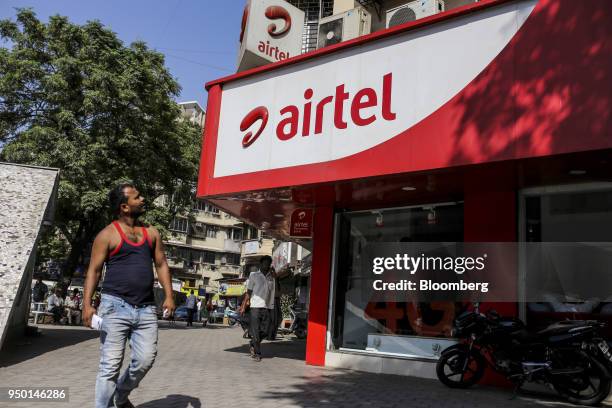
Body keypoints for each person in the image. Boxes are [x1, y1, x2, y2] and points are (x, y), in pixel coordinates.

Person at [82, 182, 176, 408]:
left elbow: (161, 264)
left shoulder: (151, 232)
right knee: (110, 367)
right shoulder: (107, 235)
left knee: (145, 360)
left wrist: (169, 295)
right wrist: (87, 305)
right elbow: (93, 271)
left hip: (145, 309)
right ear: (124, 207)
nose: (142, 199)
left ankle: (120, 396)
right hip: (114, 307)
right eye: (137, 197)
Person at [240, 256, 277, 361]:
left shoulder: (271, 277)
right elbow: (249, 292)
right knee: (255, 331)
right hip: (255, 307)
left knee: (266, 330)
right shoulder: (254, 275)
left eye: (268, 263)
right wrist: (243, 306)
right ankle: (257, 353)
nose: (267, 265)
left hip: (266, 307)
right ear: (261, 264)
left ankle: (253, 343)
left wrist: (275, 276)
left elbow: (274, 291)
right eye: (265, 263)